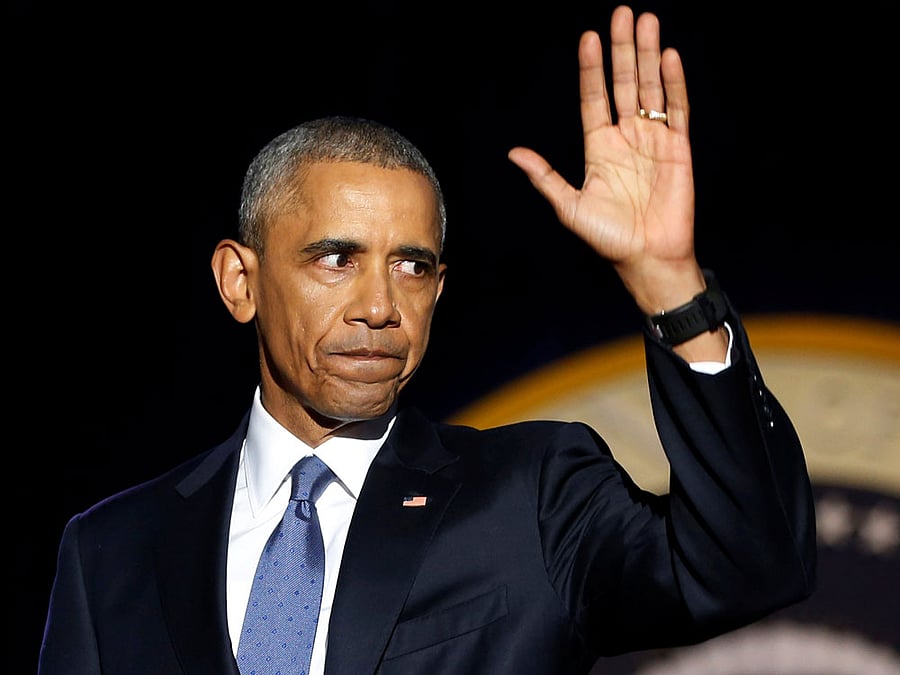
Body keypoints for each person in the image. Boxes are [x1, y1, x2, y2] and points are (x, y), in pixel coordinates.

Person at [38, 5, 816, 674]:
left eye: (411, 266)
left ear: (438, 289)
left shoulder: (532, 498)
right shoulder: (112, 549)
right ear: (240, 281)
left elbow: (750, 564)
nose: (381, 306)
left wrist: (669, 283)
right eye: (336, 260)